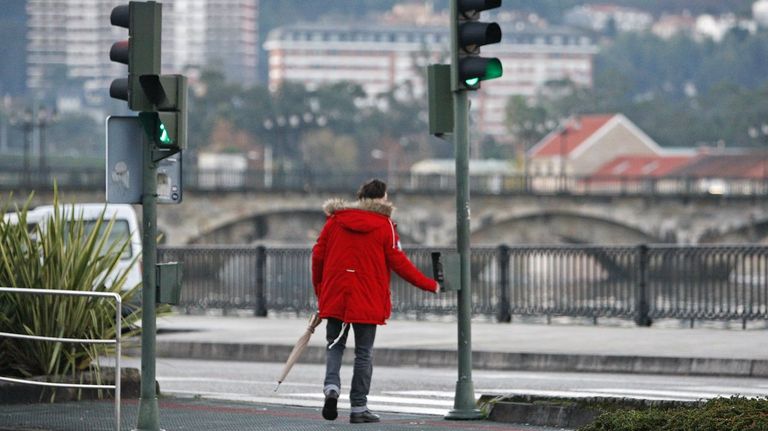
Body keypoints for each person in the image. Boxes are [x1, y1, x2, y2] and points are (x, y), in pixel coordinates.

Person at [311, 179, 439, 423]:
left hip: (336, 294)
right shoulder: (385, 226)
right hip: (367, 298)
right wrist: (429, 284)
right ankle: (359, 408)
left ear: (360, 198)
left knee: (334, 345)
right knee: (363, 354)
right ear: (381, 199)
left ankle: (331, 387)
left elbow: (317, 256)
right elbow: (399, 263)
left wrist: (320, 290)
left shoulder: (335, 221)